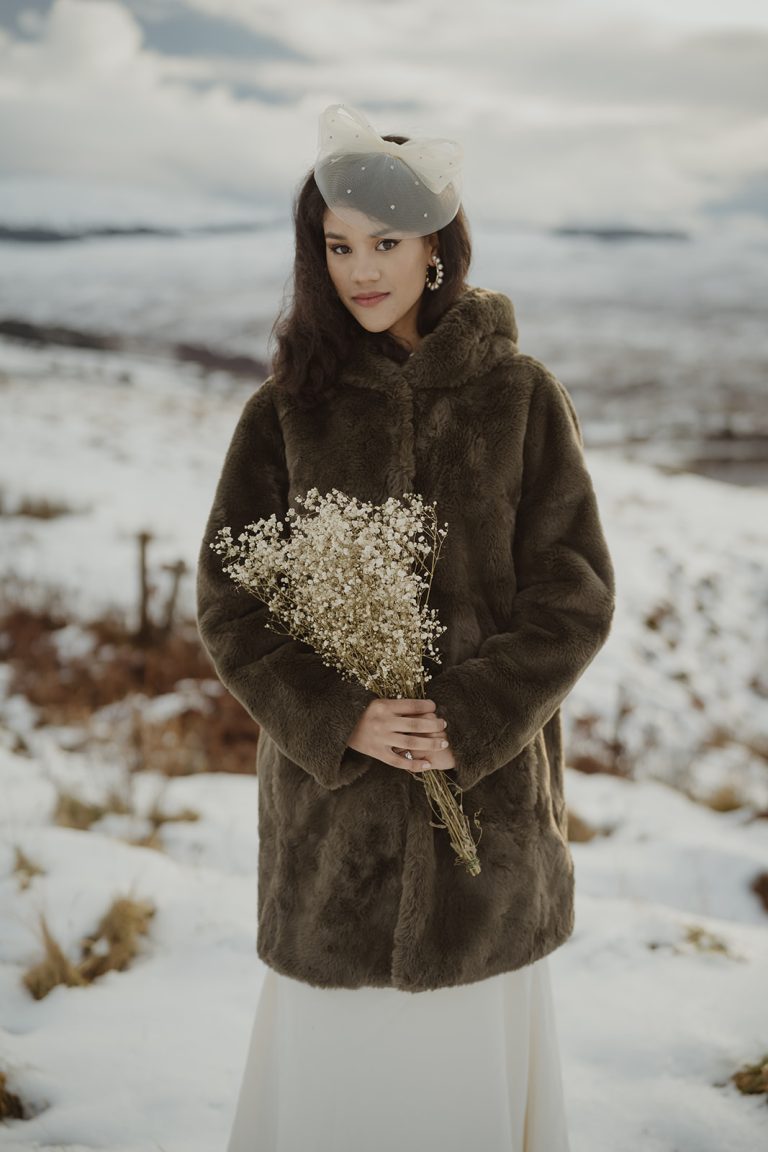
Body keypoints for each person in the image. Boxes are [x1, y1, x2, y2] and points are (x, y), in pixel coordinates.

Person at [196, 102, 616, 1152]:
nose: (360, 270)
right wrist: (340, 716)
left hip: (485, 835)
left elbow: (573, 595)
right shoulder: (284, 411)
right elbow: (228, 601)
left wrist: (462, 721)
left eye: (386, 243)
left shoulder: (521, 399)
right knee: (339, 1093)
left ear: (439, 248)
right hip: (331, 840)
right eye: (337, 246)